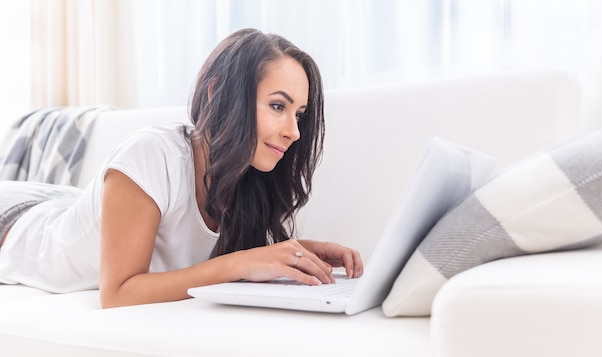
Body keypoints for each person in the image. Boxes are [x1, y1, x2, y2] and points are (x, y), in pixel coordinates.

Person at [0, 28, 363, 308]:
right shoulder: (151, 155)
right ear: (215, 92)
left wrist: (297, 252)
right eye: (277, 106)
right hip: (16, 221)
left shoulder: (246, 174)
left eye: (299, 114)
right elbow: (118, 294)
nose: (293, 132)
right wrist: (240, 264)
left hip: (64, 203)